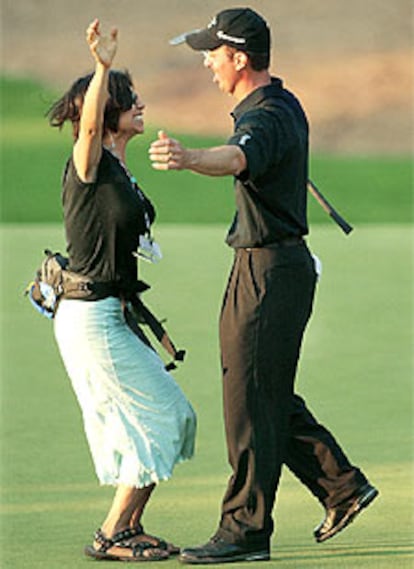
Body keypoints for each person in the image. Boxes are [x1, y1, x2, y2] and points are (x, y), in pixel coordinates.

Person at [149, 7, 378, 565]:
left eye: (213, 52)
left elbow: (237, 157)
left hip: (269, 271)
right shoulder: (280, 101)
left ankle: (246, 531)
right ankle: (341, 486)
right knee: (262, 392)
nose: (206, 62)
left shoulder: (268, 115)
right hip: (270, 267)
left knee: (249, 404)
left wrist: (186, 158)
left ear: (240, 58)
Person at [47, 19, 196, 562]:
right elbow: (87, 132)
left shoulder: (117, 166)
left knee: (163, 418)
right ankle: (111, 534)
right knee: (161, 416)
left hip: (110, 313)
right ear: (108, 111)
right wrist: (104, 69)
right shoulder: (87, 164)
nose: (142, 106)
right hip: (90, 319)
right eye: (131, 101)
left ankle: (128, 528)